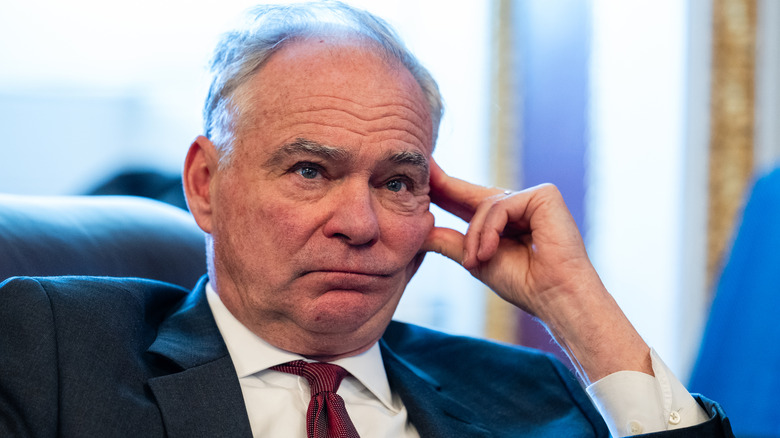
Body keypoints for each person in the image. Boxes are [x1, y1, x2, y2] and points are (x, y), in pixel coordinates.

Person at [0, 2, 732, 437]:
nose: (360, 222)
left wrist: (580, 310)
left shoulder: (528, 394)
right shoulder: (54, 347)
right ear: (206, 184)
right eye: (310, 170)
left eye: (398, 182)